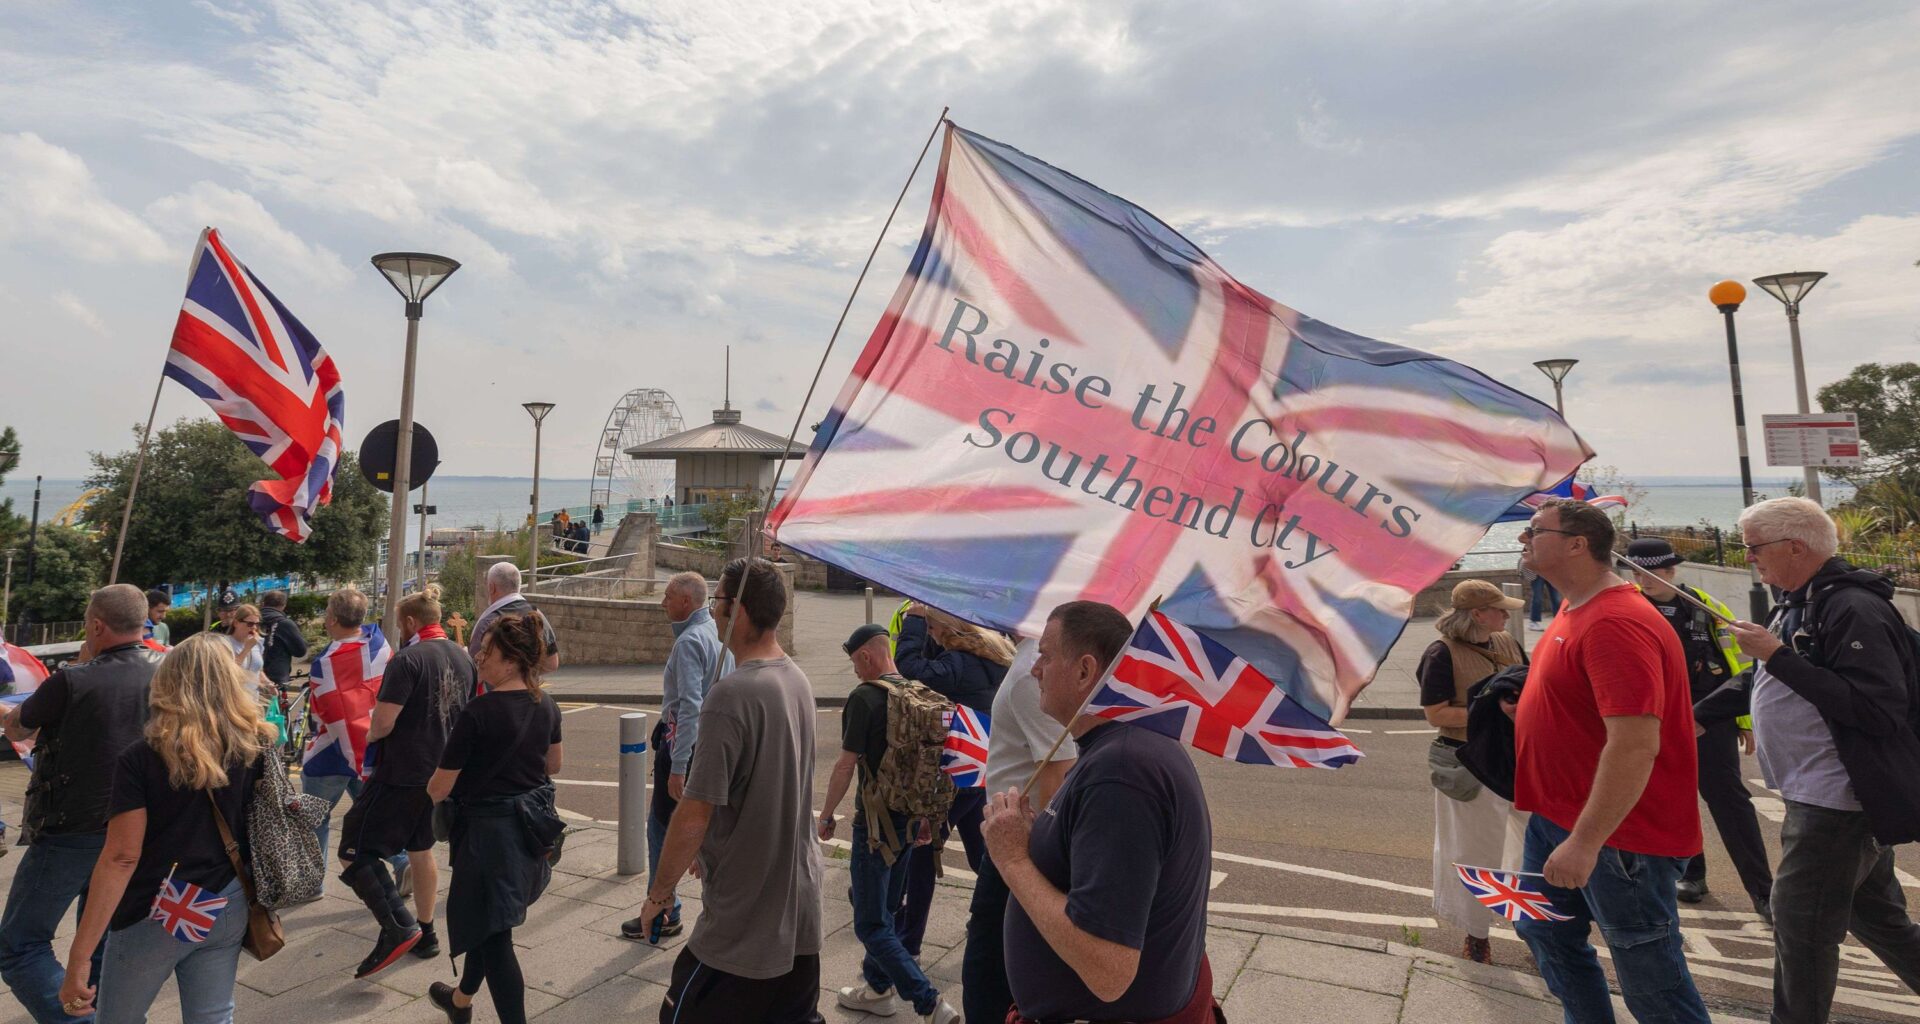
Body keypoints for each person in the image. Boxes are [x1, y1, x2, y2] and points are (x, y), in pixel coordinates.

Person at [1512, 499, 1710, 1024]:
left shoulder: (1615, 621)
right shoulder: (1575, 604)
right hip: (1557, 819)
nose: (1522, 539)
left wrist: (1585, 841)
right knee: (1543, 929)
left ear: (1578, 544)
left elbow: (1634, 744)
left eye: (1534, 531)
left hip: (1615, 837)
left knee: (1650, 979)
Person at [1725, 497, 1920, 1023]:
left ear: (1796, 546)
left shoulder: (1850, 606)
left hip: (1837, 800)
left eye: (1753, 546)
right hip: (1822, 796)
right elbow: (1765, 680)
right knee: (1879, 921)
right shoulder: (1797, 600)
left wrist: (1777, 655)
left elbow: (1877, 709)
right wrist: (1697, 714)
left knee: (1800, 929)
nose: (1748, 557)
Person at [983, 601, 1216, 1023]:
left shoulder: (1121, 772)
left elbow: (1108, 970)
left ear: (1086, 671)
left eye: (1047, 656)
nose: (1035, 669)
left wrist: (1013, 858)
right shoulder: (1119, 748)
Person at [640, 557, 825, 1024]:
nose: (714, 611)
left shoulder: (731, 694)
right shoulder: (797, 679)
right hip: (800, 911)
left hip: (744, 924)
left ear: (737, 611)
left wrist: (660, 894)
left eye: (719, 600)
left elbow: (695, 811)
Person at [55, 633, 270, 1023]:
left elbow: (122, 856)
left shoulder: (143, 757)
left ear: (168, 682)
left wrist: (79, 957)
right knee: (213, 1016)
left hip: (159, 908)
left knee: (119, 1017)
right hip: (229, 895)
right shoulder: (253, 742)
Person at [0, 585, 158, 1024]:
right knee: (107, 937)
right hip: (143, 827)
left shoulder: (72, 679)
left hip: (73, 830)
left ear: (96, 625)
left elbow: (17, 729)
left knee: (19, 944)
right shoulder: (169, 670)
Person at [425, 613, 564, 1024]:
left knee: (494, 935)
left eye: (488, 652)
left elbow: (439, 788)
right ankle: (461, 1000)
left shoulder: (478, 713)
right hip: (526, 834)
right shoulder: (547, 705)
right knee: (487, 924)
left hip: (486, 840)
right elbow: (553, 765)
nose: (479, 658)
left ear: (511, 659)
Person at [817, 623, 960, 1023]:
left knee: (870, 923)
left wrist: (827, 815)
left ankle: (930, 1003)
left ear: (866, 656)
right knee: (889, 907)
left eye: (855, 663)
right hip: (911, 818)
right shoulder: (916, 693)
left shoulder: (864, 698)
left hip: (876, 826)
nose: (856, 672)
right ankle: (877, 989)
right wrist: (929, 818)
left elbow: (846, 764)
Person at [1622, 538, 1772, 918]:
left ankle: (1764, 892)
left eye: (1652, 572)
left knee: (1730, 802)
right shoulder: (1628, 609)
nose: (1644, 579)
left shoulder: (1703, 606)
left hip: (1711, 719)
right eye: (1636, 571)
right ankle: (1692, 874)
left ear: (1671, 571)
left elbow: (1736, 663)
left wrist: (1743, 721)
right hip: (1657, 720)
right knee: (1676, 799)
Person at [338, 587, 477, 976]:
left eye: (400, 624)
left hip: (402, 773)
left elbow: (382, 723)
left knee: (353, 847)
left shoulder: (408, 659)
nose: (399, 630)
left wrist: (368, 737)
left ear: (411, 623)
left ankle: (398, 925)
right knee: (420, 848)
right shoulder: (462, 657)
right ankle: (427, 933)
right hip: (442, 772)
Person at [959, 634, 1074, 1024]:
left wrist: (1043, 856)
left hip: (1021, 841)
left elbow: (1059, 766)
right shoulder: (1030, 657)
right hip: (1014, 835)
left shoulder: (1031, 670)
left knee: (987, 970)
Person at [891, 605, 1012, 959]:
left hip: (954, 772)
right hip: (978, 770)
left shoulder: (960, 666)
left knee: (922, 854)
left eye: (931, 627)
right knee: (980, 852)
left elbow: (910, 670)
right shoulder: (994, 659)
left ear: (948, 628)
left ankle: (908, 945)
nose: (929, 633)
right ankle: (1001, 918)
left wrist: (913, 619)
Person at [1417, 579, 1527, 965]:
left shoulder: (1506, 642)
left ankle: (1532, 929)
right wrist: (1493, 716)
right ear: (1478, 614)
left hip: (1516, 760)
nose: (1506, 614)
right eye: (1499, 609)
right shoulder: (1440, 653)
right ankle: (1476, 935)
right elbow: (1437, 714)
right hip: (1468, 763)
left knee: (1529, 846)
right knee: (1475, 851)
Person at [619, 573, 730, 941]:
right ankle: (707, 912)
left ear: (686, 602)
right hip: (711, 747)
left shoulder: (688, 643)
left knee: (661, 831)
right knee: (706, 833)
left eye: (668, 596)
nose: (663, 603)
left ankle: (664, 910)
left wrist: (677, 768)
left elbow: (689, 709)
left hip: (683, 749)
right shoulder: (717, 634)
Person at [301, 587, 407, 892]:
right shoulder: (380, 646)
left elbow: (324, 714)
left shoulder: (325, 663)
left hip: (331, 755)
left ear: (332, 619)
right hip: (370, 751)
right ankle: (401, 861)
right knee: (374, 815)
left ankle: (313, 882)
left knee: (315, 817)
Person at [469, 563, 560, 673]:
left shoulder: (488, 622)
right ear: (518, 585)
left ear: (491, 588)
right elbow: (552, 663)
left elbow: (474, 667)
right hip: (529, 687)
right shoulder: (536, 614)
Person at [255, 590, 309, 691]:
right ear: (284, 605)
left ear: (264, 603)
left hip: (252, 676)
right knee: (275, 706)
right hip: (276, 678)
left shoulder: (252, 621)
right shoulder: (285, 624)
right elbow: (300, 651)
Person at [222, 604, 266, 691]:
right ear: (236, 623)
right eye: (250, 624)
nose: (254, 627)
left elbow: (257, 670)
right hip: (234, 699)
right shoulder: (225, 643)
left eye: (257, 624)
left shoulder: (257, 643)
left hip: (253, 699)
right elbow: (229, 672)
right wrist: (246, 649)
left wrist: (268, 683)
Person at [1521, 551, 1560, 631]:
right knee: (1537, 597)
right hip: (1537, 571)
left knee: (1556, 597)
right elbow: (1524, 545)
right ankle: (1533, 621)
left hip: (1550, 570)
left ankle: (1559, 620)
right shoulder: (1532, 540)